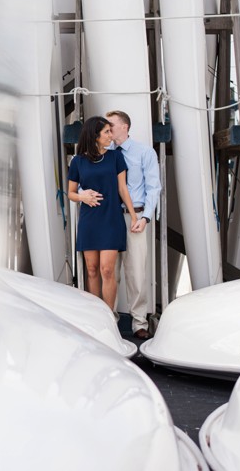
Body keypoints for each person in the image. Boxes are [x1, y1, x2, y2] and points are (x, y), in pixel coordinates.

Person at [67, 116, 139, 313]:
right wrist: (82, 196)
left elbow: (123, 189)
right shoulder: (78, 161)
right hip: (89, 220)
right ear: (95, 135)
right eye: (106, 132)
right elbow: (71, 193)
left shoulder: (115, 157)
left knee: (106, 270)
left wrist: (133, 215)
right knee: (91, 270)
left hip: (111, 218)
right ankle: (96, 316)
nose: (111, 135)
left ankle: (109, 317)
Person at [106, 110, 161, 340]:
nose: (107, 129)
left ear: (125, 126)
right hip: (109, 218)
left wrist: (146, 218)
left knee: (137, 272)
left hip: (135, 217)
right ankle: (109, 321)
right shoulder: (102, 153)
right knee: (108, 271)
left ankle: (139, 322)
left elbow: (153, 187)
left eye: (111, 125)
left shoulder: (144, 152)